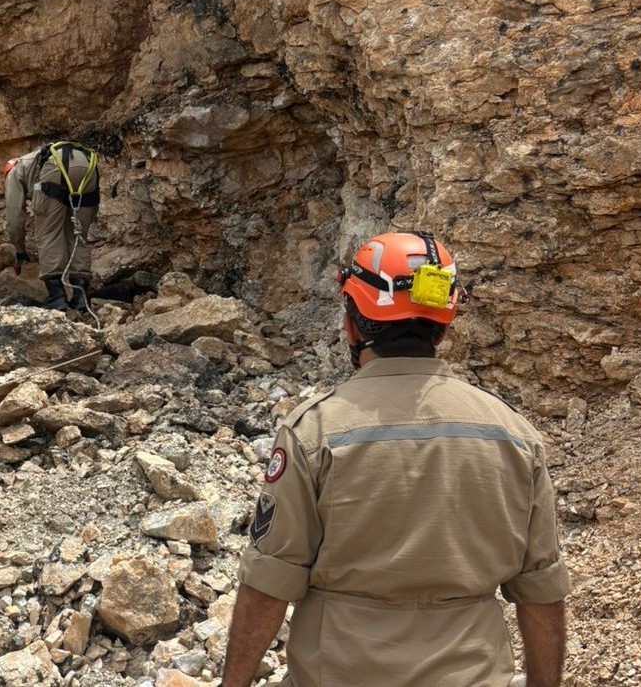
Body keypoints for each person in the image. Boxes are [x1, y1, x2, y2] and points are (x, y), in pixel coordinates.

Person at [221, 232, 570, 687]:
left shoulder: (313, 432)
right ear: (443, 328)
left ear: (352, 325)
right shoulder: (515, 436)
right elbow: (541, 591)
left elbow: (270, 584)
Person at [3, 142, 100, 311]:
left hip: (56, 168)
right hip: (89, 165)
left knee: (49, 234)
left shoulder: (14, 172)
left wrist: (19, 249)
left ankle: (57, 298)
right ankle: (80, 298)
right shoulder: (34, 160)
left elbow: (14, 218)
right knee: (78, 235)